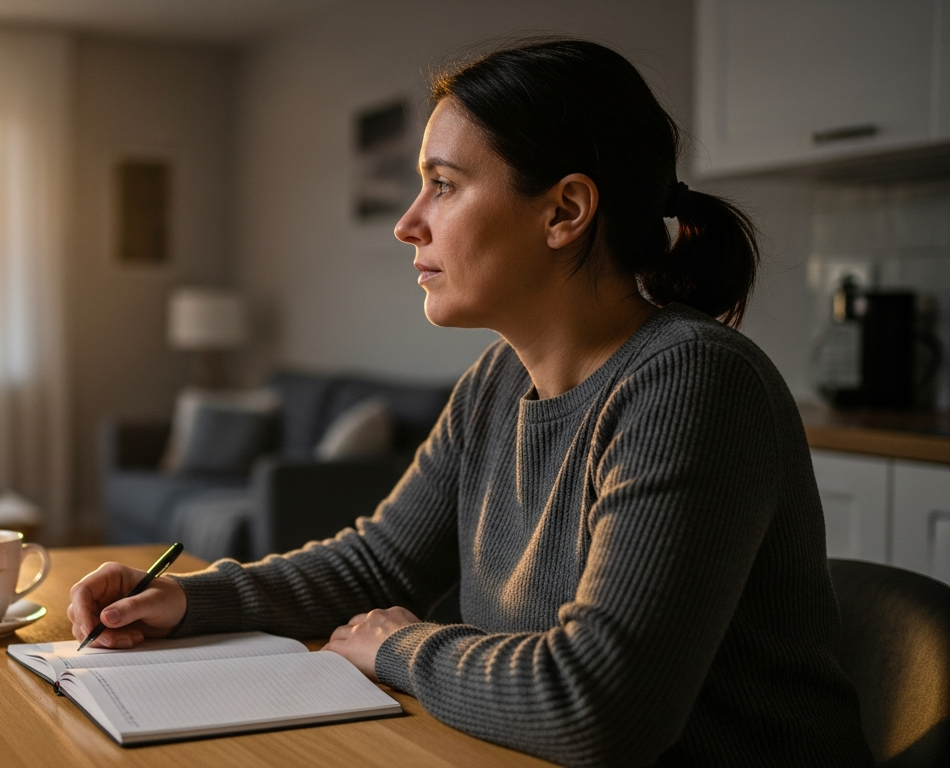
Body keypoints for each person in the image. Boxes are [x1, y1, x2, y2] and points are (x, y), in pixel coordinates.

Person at [68, 38, 874, 767]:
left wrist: (404, 648)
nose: (408, 225)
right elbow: (379, 563)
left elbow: (600, 707)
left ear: (564, 211)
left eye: (443, 187)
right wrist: (186, 597)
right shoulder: (497, 380)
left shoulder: (693, 384)